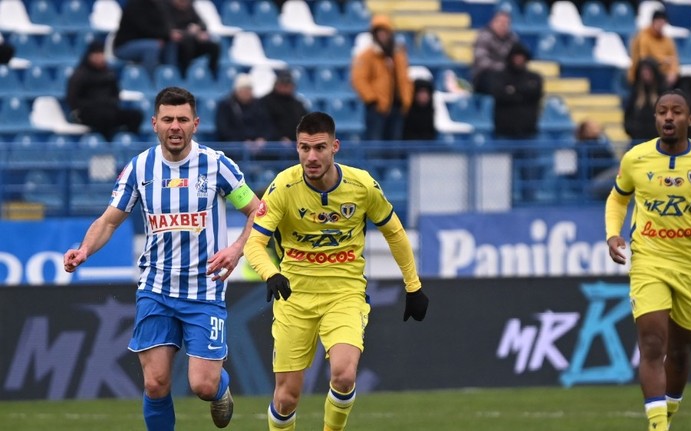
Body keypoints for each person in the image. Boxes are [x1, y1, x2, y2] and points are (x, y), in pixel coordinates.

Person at [63, 86, 260, 430]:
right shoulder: (140, 167)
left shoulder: (217, 165)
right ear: (154, 123)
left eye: (182, 119)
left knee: (203, 385)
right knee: (155, 383)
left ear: (195, 123)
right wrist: (84, 249)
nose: (175, 126)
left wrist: (236, 248)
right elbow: (110, 219)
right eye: (167, 119)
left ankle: (220, 388)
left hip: (204, 290)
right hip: (156, 288)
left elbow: (259, 211)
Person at [243, 111, 429, 431]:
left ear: (335, 147)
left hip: (344, 294)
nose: (311, 157)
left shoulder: (362, 186)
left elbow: (395, 233)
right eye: (304, 148)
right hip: (294, 297)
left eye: (319, 148)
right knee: (286, 398)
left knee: (343, 376)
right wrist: (270, 273)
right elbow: (254, 244)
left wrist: (413, 286)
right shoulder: (283, 187)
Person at [605, 89, 691, 431]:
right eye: (662, 111)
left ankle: (667, 414)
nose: (668, 117)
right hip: (649, 259)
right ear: (655, 119)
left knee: (679, 354)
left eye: (676, 111)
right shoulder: (636, 158)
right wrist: (612, 233)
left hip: (690, 264)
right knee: (652, 343)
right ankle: (658, 427)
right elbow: (617, 199)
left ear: (689, 119)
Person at [351, 14, 413, 141]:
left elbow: (405, 79)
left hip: (397, 107)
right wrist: (372, 99)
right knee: (376, 145)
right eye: (379, 32)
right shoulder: (367, 55)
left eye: (385, 32)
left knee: (395, 145)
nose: (382, 36)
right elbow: (359, 78)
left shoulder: (398, 55)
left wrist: (406, 100)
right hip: (377, 109)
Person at [66, 40, 143, 141]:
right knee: (104, 117)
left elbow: (116, 93)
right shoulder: (80, 74)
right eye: (96, 54)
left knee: (136, 115)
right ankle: (106, 147)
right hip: (87, 113)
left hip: (109, 110)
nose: (99, 57)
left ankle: (126, 141)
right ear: (89, 56)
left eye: (101, 53)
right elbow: (73, 98)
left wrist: (112, 102)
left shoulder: (108, 73)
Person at [215, 73, 273, 159]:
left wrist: (262, 138)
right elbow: (223, 129)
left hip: (257, 146)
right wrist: (242, 141)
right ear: (237, 90)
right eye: (244, 90)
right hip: (234, 145)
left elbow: (268, 125)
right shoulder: (226, 105)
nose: (247, 93)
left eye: (249, 90)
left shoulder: (259, 105)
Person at [491, 42, 542, 139]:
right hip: (504, 132)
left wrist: (514, 90)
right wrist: (524, 92)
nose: (519, 60)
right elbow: (500, 95)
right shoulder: (499, 77)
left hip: (528, 131)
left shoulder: (534, 78)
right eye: (516, 57)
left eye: (521, 57)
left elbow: (535, 94)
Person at [113, 0, 176, 76]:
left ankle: (170, 77)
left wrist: (168, 36)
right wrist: (165, 36)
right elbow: (143, 28)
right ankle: (149, 81)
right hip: (124, 46)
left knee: (171, 42)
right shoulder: (135, 5)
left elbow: (164, 25)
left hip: (151, 40)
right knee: (152, 47)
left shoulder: (160, 5)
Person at [166, 0, 221, 79]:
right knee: (188, 40)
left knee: (214, 46)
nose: (184, 3)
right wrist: (186, 32)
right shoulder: (167, 9)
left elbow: (202, 24)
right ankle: (185, 74)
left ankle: (212, 74)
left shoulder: (190, 9)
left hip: (194, 41)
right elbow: (169, 29)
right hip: (179, 44)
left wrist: (198, 28)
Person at [471, 8, 519, 95]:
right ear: (493, 22)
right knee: (496, 80)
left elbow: (518, 58)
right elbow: (482, 61)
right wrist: (502, 68)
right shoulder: (484, 36)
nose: (503, 25)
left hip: (506, 74)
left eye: (506, 23)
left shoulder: (513, 38)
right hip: (484, 75)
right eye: (501, 22)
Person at [628, 10, 679, 88]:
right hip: (644, 74)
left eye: (662, 23)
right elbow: (644, 60)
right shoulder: (643, 37)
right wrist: (663, 60)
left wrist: (673, 73)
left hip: (663, 75)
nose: (660, 26)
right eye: (658, 22)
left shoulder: (667, 40)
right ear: (653, 22)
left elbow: (674, 59)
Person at [624, 58, 667, 142]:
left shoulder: (664, 93)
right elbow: (628, 116)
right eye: (643, 71)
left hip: (660, 141)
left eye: (648, 71)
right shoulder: (635, 93)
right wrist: (632, 130)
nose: (645, 74)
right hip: (638, 140)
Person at [259, 69, 309, 142]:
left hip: (293, 146)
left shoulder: (298, 105)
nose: (286, 87)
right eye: (283, 84)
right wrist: (279, 138)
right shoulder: (264, 102)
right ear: (276, 85)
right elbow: (263, 125)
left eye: (288, 84)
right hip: (270, 147)